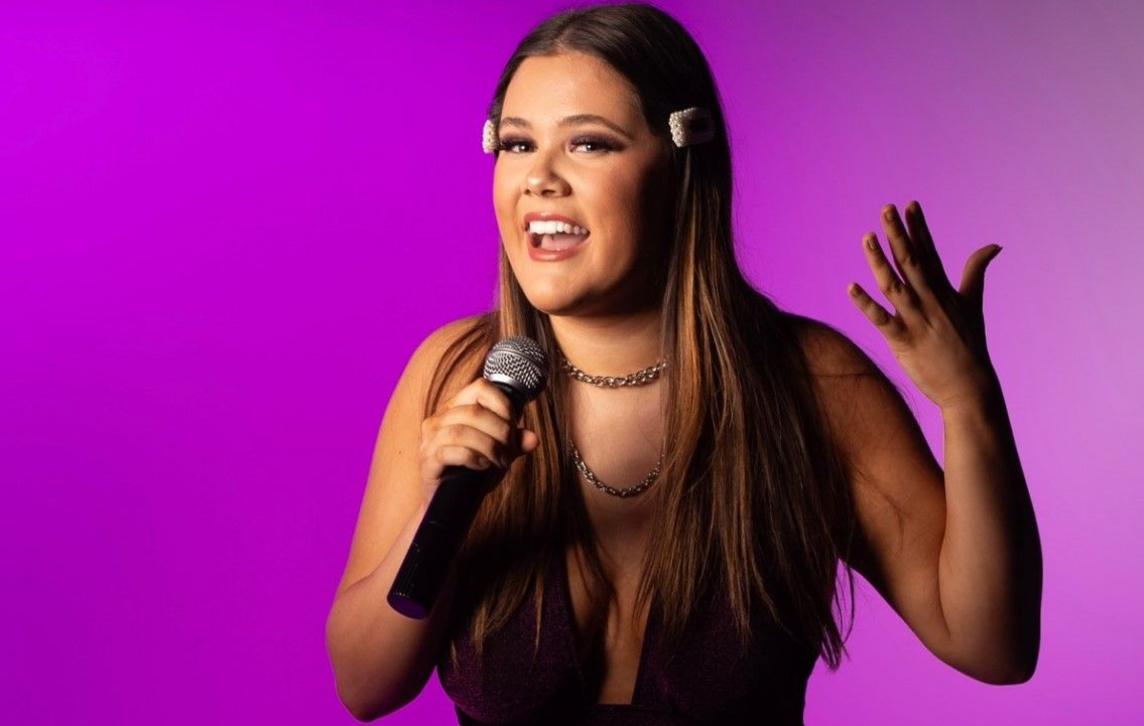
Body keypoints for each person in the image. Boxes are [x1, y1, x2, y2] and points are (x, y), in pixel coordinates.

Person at [325, 3, 1042, 723]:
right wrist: (437, 508)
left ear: (680, 160)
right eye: (516, 145)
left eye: (589, 145)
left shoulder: (810, 384)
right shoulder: (453, 374)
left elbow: (992, 645)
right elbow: (364, 684)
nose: (539, 179)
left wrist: (968, 402)